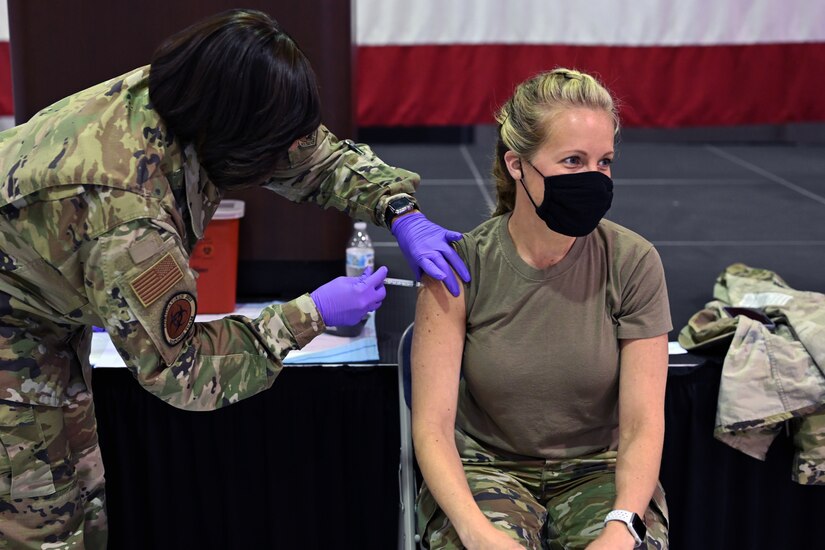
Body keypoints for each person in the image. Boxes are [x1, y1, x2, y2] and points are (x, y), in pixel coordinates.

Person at [0, 9, 469, 548]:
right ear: (233, 137)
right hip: (14, 323)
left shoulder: (196, 93)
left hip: (41, 299)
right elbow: (184, 372)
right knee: (39, 518)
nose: (284, 158)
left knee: (82, 489)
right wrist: (310, 314)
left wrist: (399, 208)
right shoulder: (130, 218)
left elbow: (311, 155)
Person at [412, 68, 671, 549]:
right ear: (517, 165)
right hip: (487, 467)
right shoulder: (461, 266)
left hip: (600, 469)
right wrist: (475, 530)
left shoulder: (634, 262)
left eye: (604, 161)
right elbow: (431, 427)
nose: (594, 178)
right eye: (573, 160)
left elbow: (642, 424)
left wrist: (621, 525)